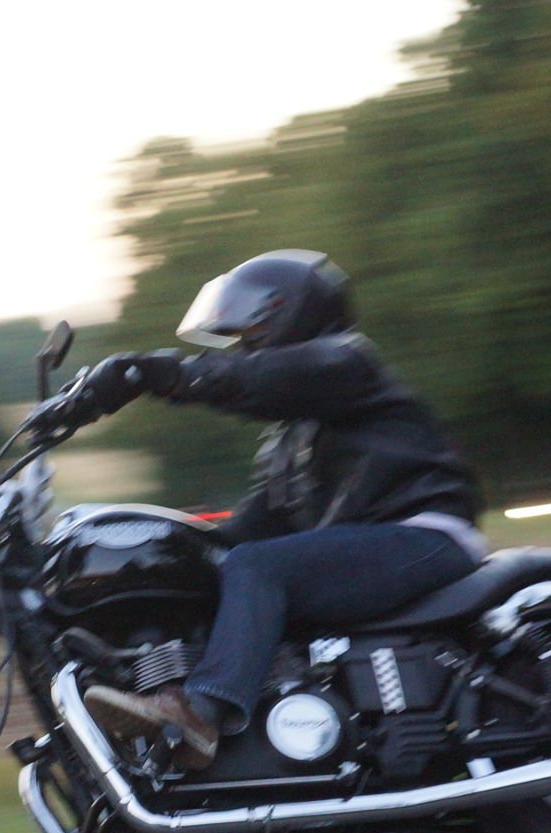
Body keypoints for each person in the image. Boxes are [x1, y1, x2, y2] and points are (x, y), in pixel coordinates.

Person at [74, 249, 485, 770]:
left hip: (423, 533)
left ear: (292, 313)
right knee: (224, 566)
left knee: (259, 566)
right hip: (372, 543)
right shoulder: (293, 438)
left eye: (252, 330)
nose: (243, 345)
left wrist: (159, 375)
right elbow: (249, 529)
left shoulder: (345, 361)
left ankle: (198, 714)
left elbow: (262, 377)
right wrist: (158, 544)